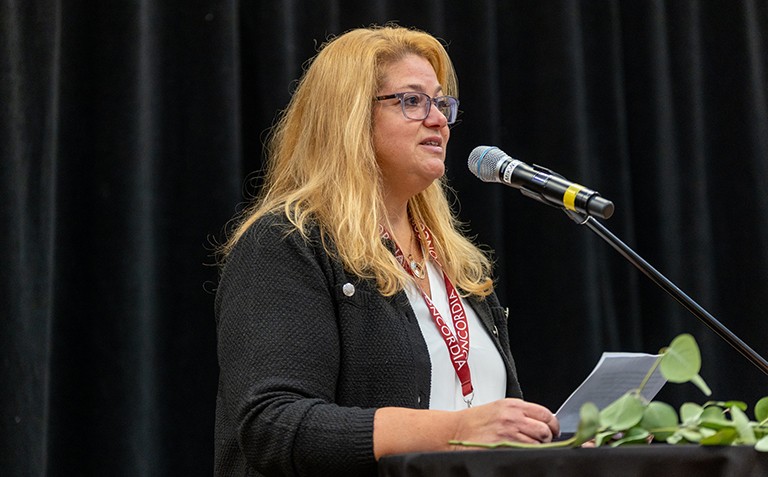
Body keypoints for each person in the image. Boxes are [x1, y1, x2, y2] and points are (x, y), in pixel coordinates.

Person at [214, 24, 560, 476]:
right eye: (412, 101)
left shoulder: (457, 264)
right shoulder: (286, 243)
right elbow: (274, 425)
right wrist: (455, 429)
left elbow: (489, 424)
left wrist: (561, 444)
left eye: (441, 103)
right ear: (349, 115)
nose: (438, 119)